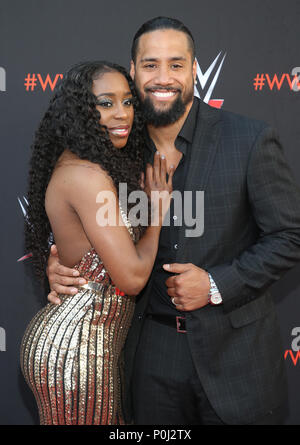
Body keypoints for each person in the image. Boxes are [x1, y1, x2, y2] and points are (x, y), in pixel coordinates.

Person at [46, 17, 300, 425]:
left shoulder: (248, 139)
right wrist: (60, 263)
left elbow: (290, 236)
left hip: (237, 355)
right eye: (150, 65)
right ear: (133, 71)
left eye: (176, 65)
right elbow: (77, 217)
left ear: (194, 70)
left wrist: (216, 284)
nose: (162, 78)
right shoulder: (114, 150)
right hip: (149, 355)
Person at [20, 60, 173, 425]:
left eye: (128, 102)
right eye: (106, 103)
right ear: (79, 111)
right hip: (75, 351)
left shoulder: (94, 165)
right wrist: (158, 213)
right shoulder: (86, 176)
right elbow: (133, 278)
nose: (122, 114)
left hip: (91, 346)